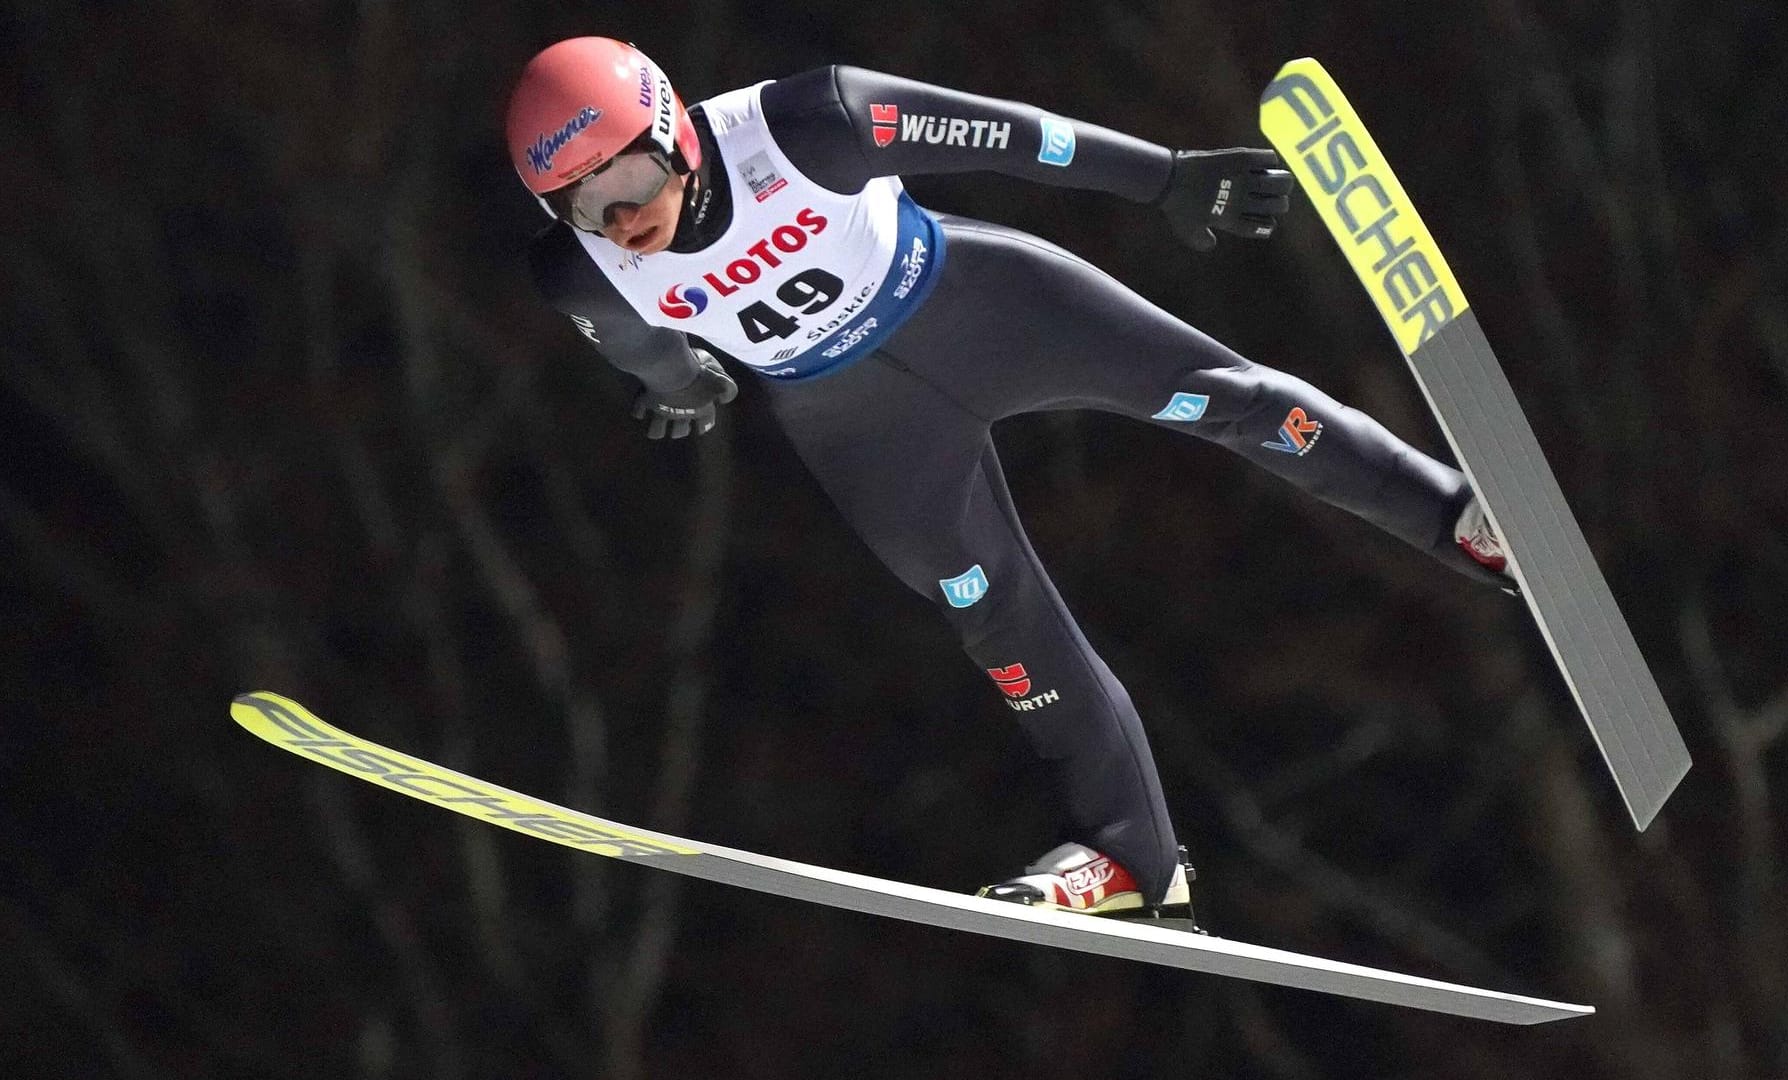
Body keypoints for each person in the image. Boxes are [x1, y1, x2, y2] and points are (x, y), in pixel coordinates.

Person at [505, 37, 1512, 931]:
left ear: (674, 130)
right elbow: (651, 354)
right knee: (989, 613)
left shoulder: (809, 123)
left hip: (986, 310)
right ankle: (1132, 860)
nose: (621, 216)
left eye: (629, 175)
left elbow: (1016, 140)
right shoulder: (581, 274)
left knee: (1227, 400)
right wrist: (685, 389)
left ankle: (1454, 517)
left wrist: (1165, 179)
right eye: (584, 203)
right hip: (860, 427)